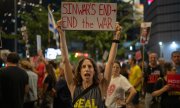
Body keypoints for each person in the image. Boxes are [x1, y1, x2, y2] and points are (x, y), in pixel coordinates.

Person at [57, 20, 122, 108]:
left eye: (90, 66)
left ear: (94, 71)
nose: (87, 69)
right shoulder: (73, 86)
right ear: (79, 71)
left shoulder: (101, 87)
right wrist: (61, 34)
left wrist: (116, 37)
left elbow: (110, 63)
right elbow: (65, 60)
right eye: (83, 67)